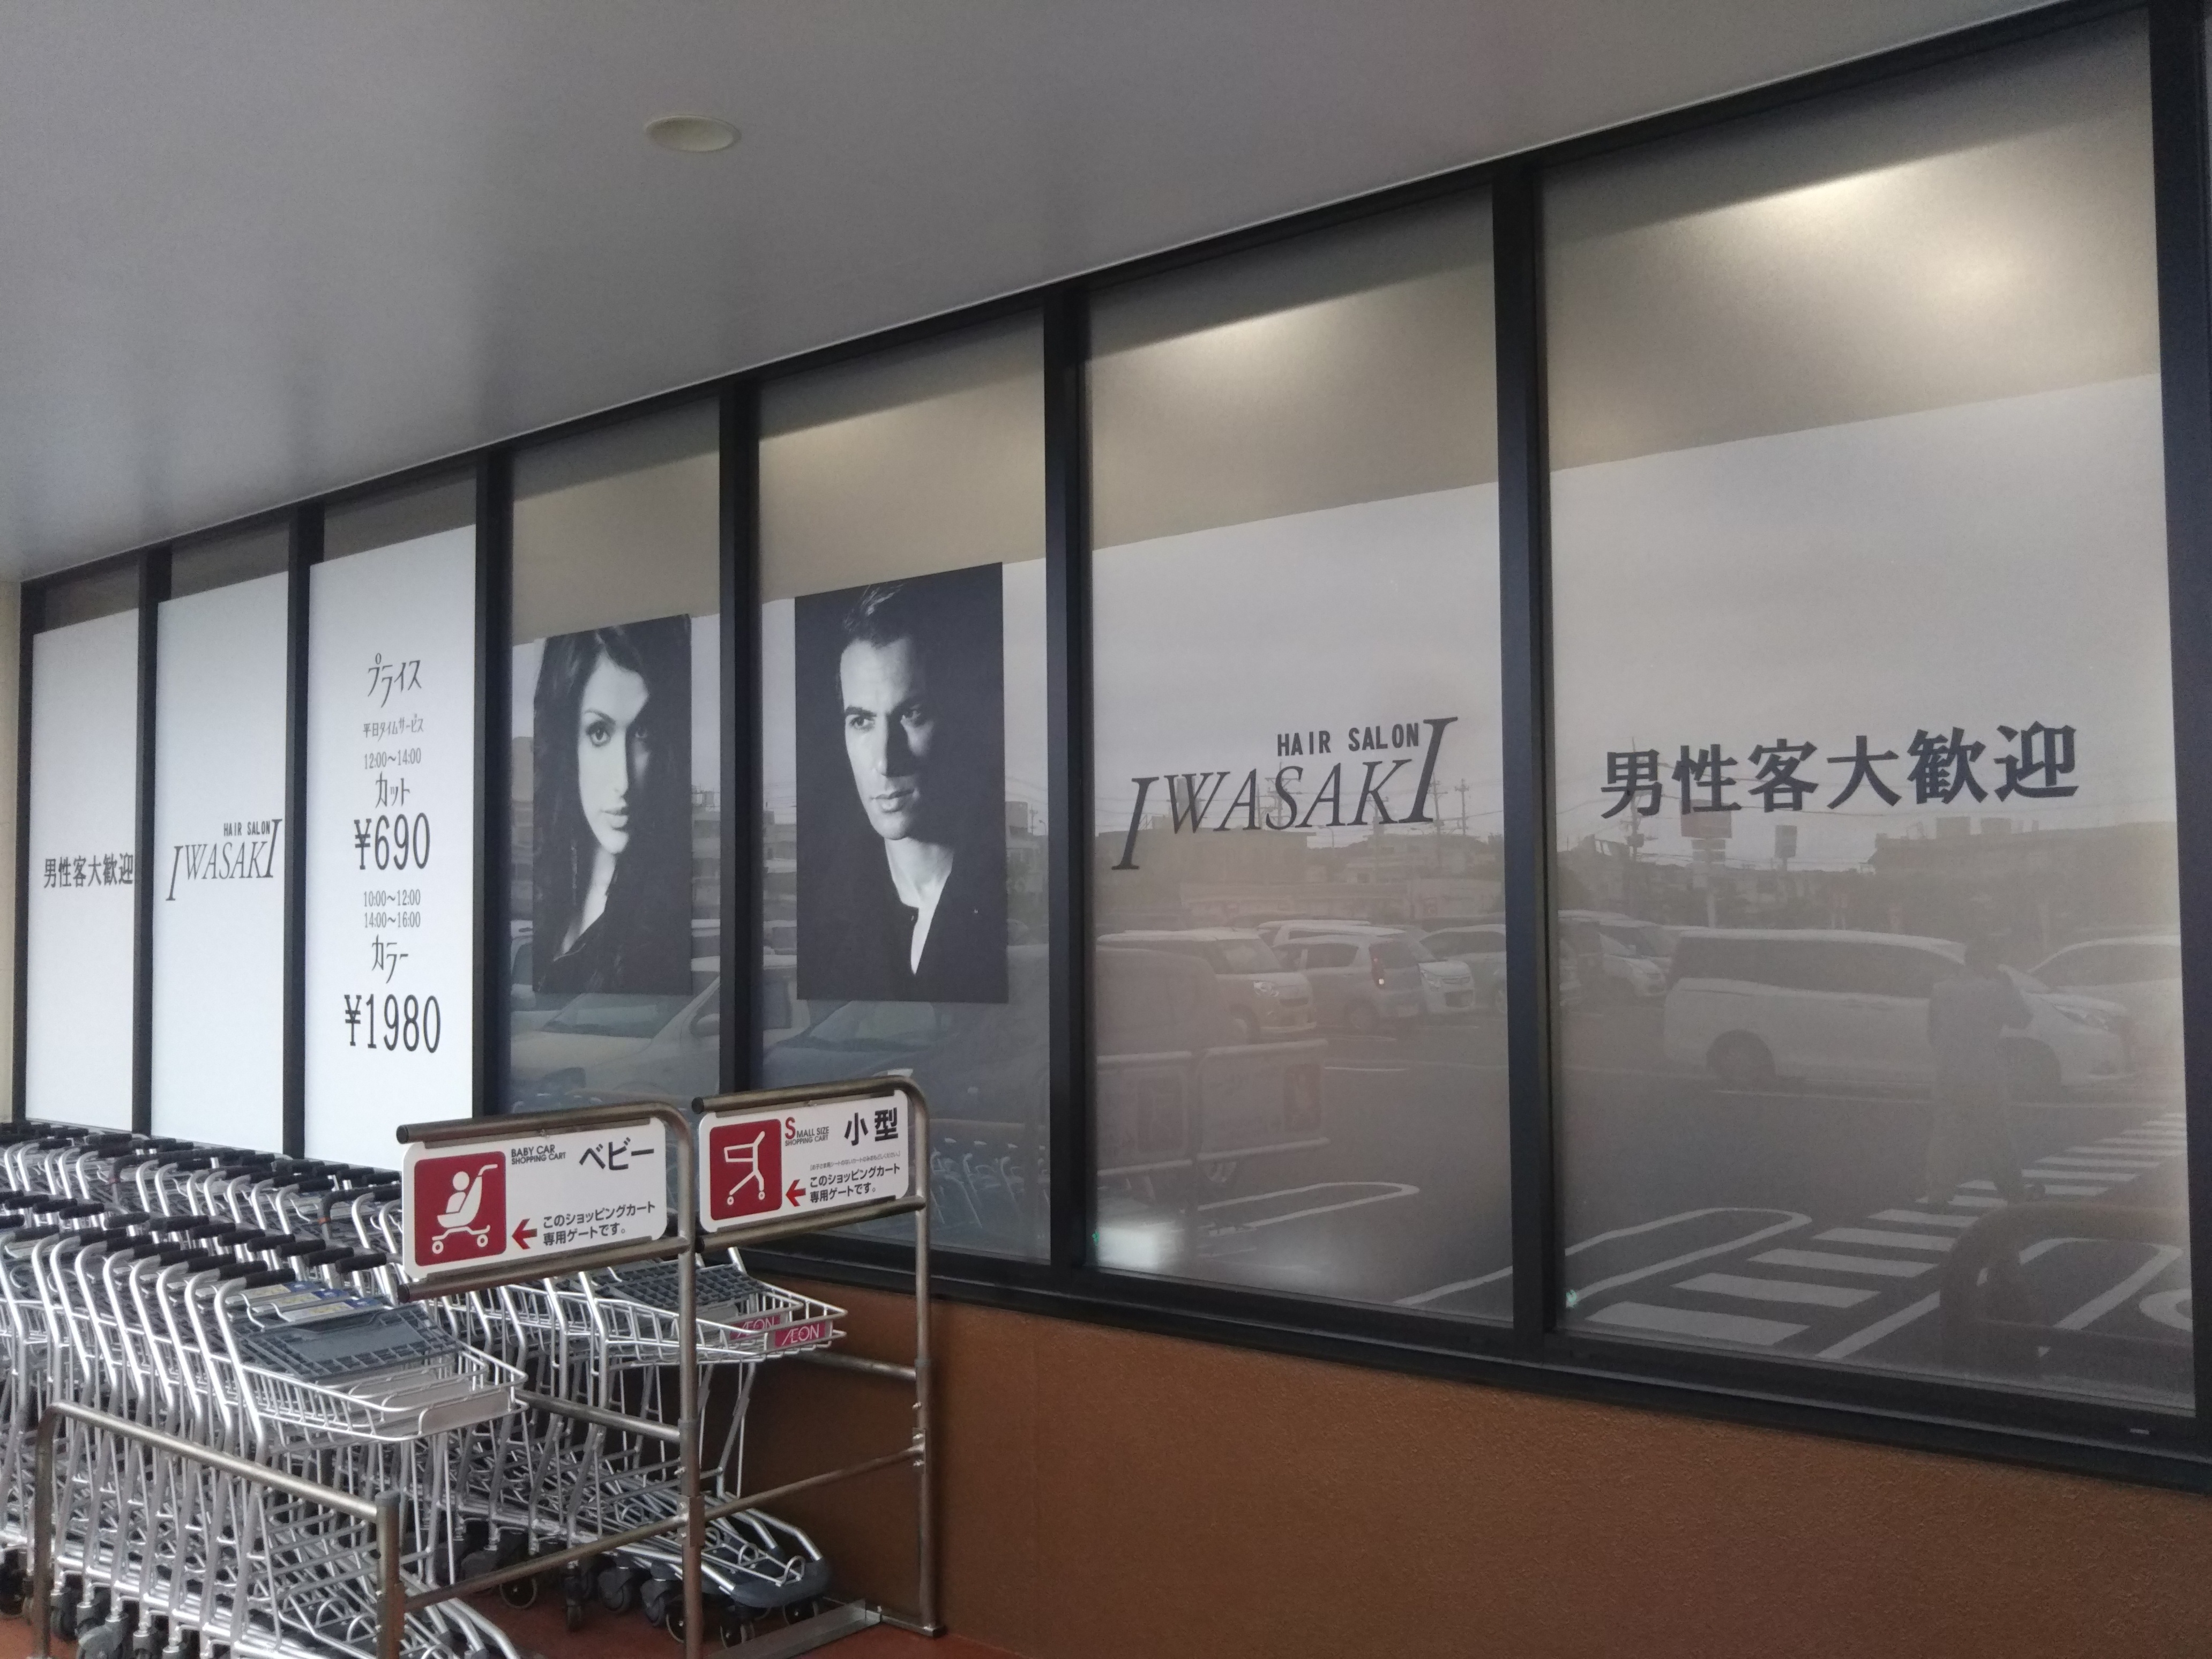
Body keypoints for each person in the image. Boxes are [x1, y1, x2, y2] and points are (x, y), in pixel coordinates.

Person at [798, 576, 1005, 1002]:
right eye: (861, 721)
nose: (885, 761)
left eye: (912, 714)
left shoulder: (1004, 905)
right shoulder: (822, 921)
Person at [532, 618, 692, 995]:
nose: (623, 781)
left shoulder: (665, 924)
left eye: (643, 732)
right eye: (599, 733)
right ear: (567, 743)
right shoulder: (547, 893)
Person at [1923, 937, 2036, 1206]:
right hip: (1984, 1073)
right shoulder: (1994, 989)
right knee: (1997, 1138)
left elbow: (1932, 1033)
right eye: (1995, 961)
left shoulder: (1941, 989)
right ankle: (2015, 1194)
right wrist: (2008, 986)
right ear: (1986, 961)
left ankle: (1938, 1196)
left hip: (1948, 1073)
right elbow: (2022, 1019)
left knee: (1945, 1138)